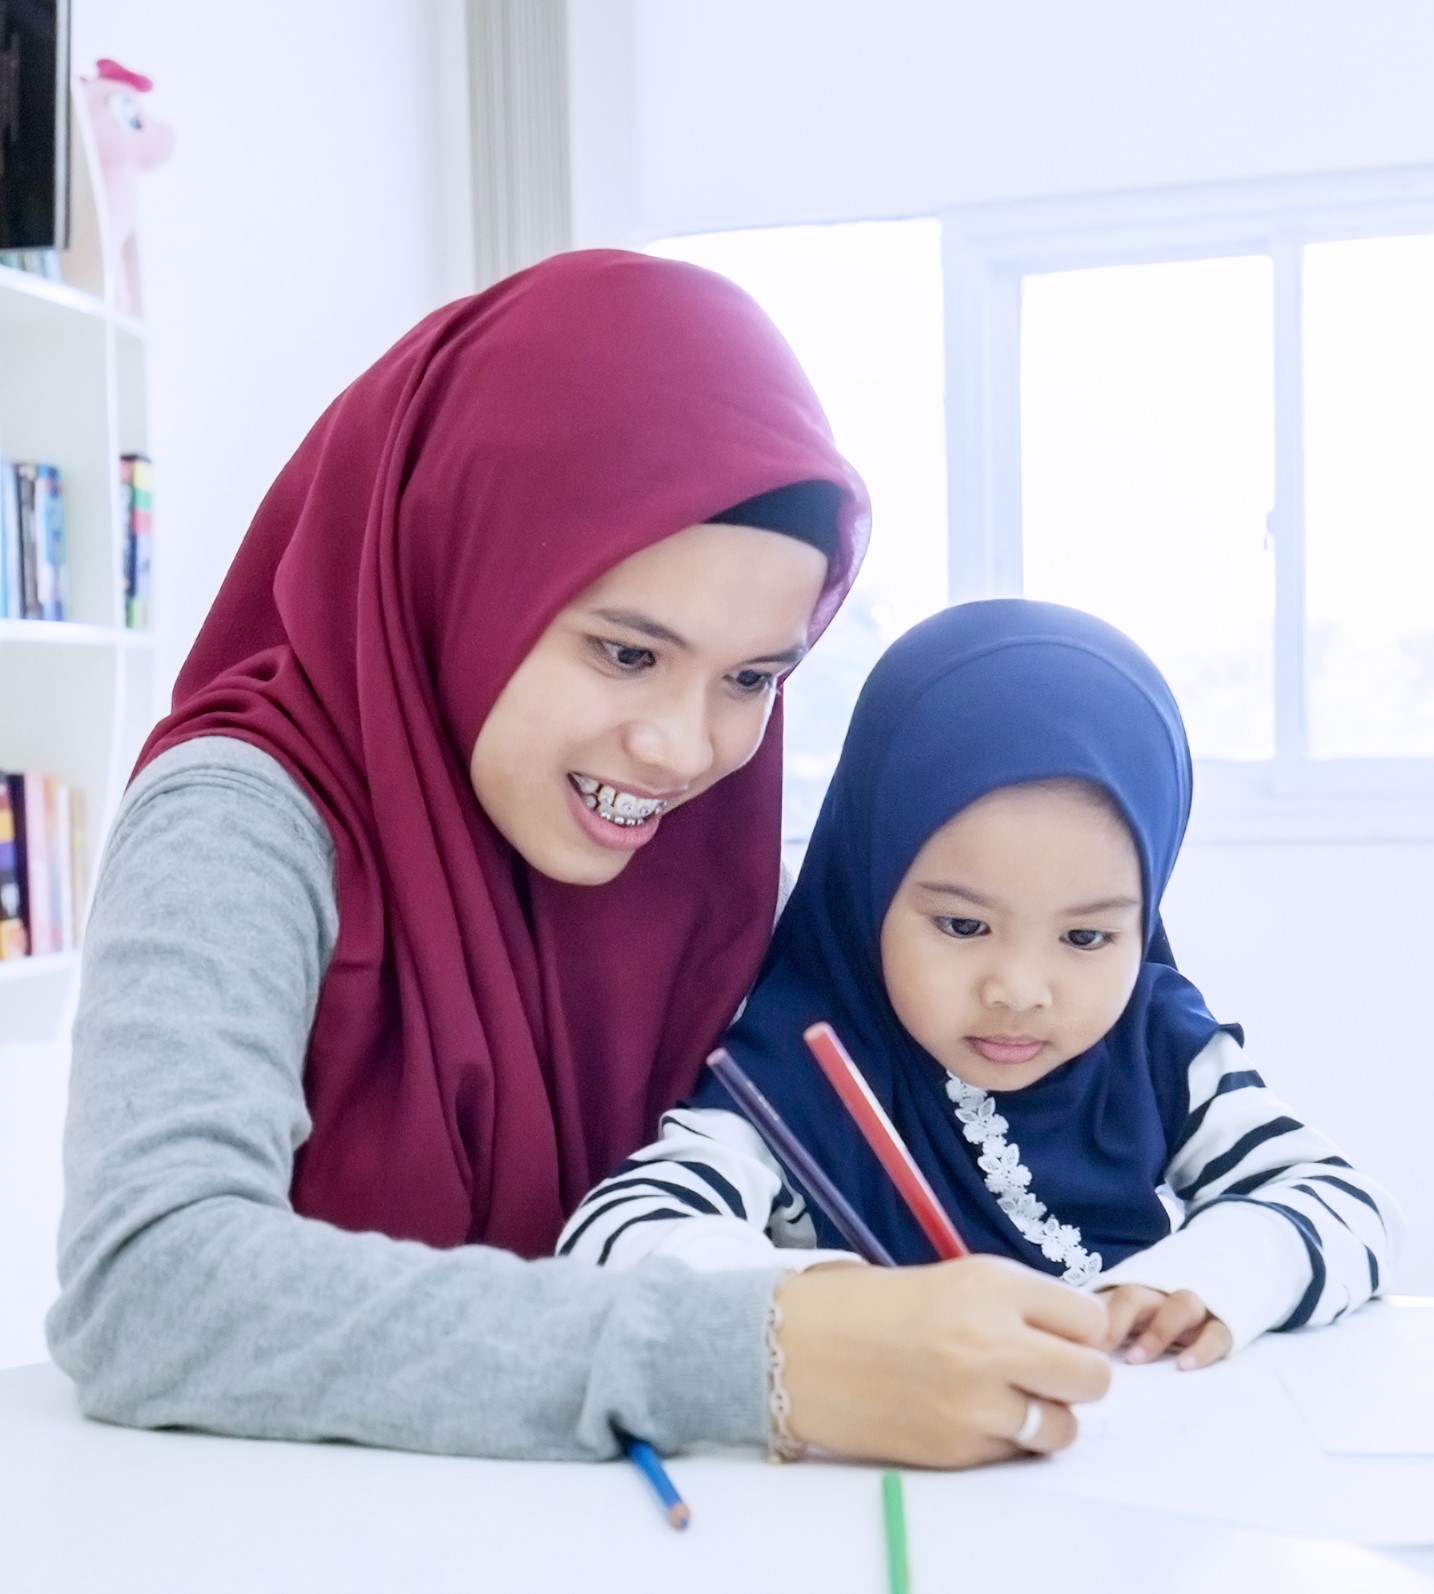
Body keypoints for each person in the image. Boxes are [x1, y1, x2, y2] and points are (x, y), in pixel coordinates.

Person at [47, 252, 1111, 1470]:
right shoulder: (238, 817)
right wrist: (757, 1356)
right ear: (461, 571)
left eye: (753, 677)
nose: (681, 746)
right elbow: (149, 1285)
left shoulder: (690, 858)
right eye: (622, 653)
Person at [560, 600, 1404, 1376]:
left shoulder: (1157, 1046)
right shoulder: (799, 1073)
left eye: (1087, 937)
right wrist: (840, 1310)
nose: (1019, 990)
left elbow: (1347, 1205)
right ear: (868, 884)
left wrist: (1200, 1282)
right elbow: (612, 1239)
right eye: (962, 927)